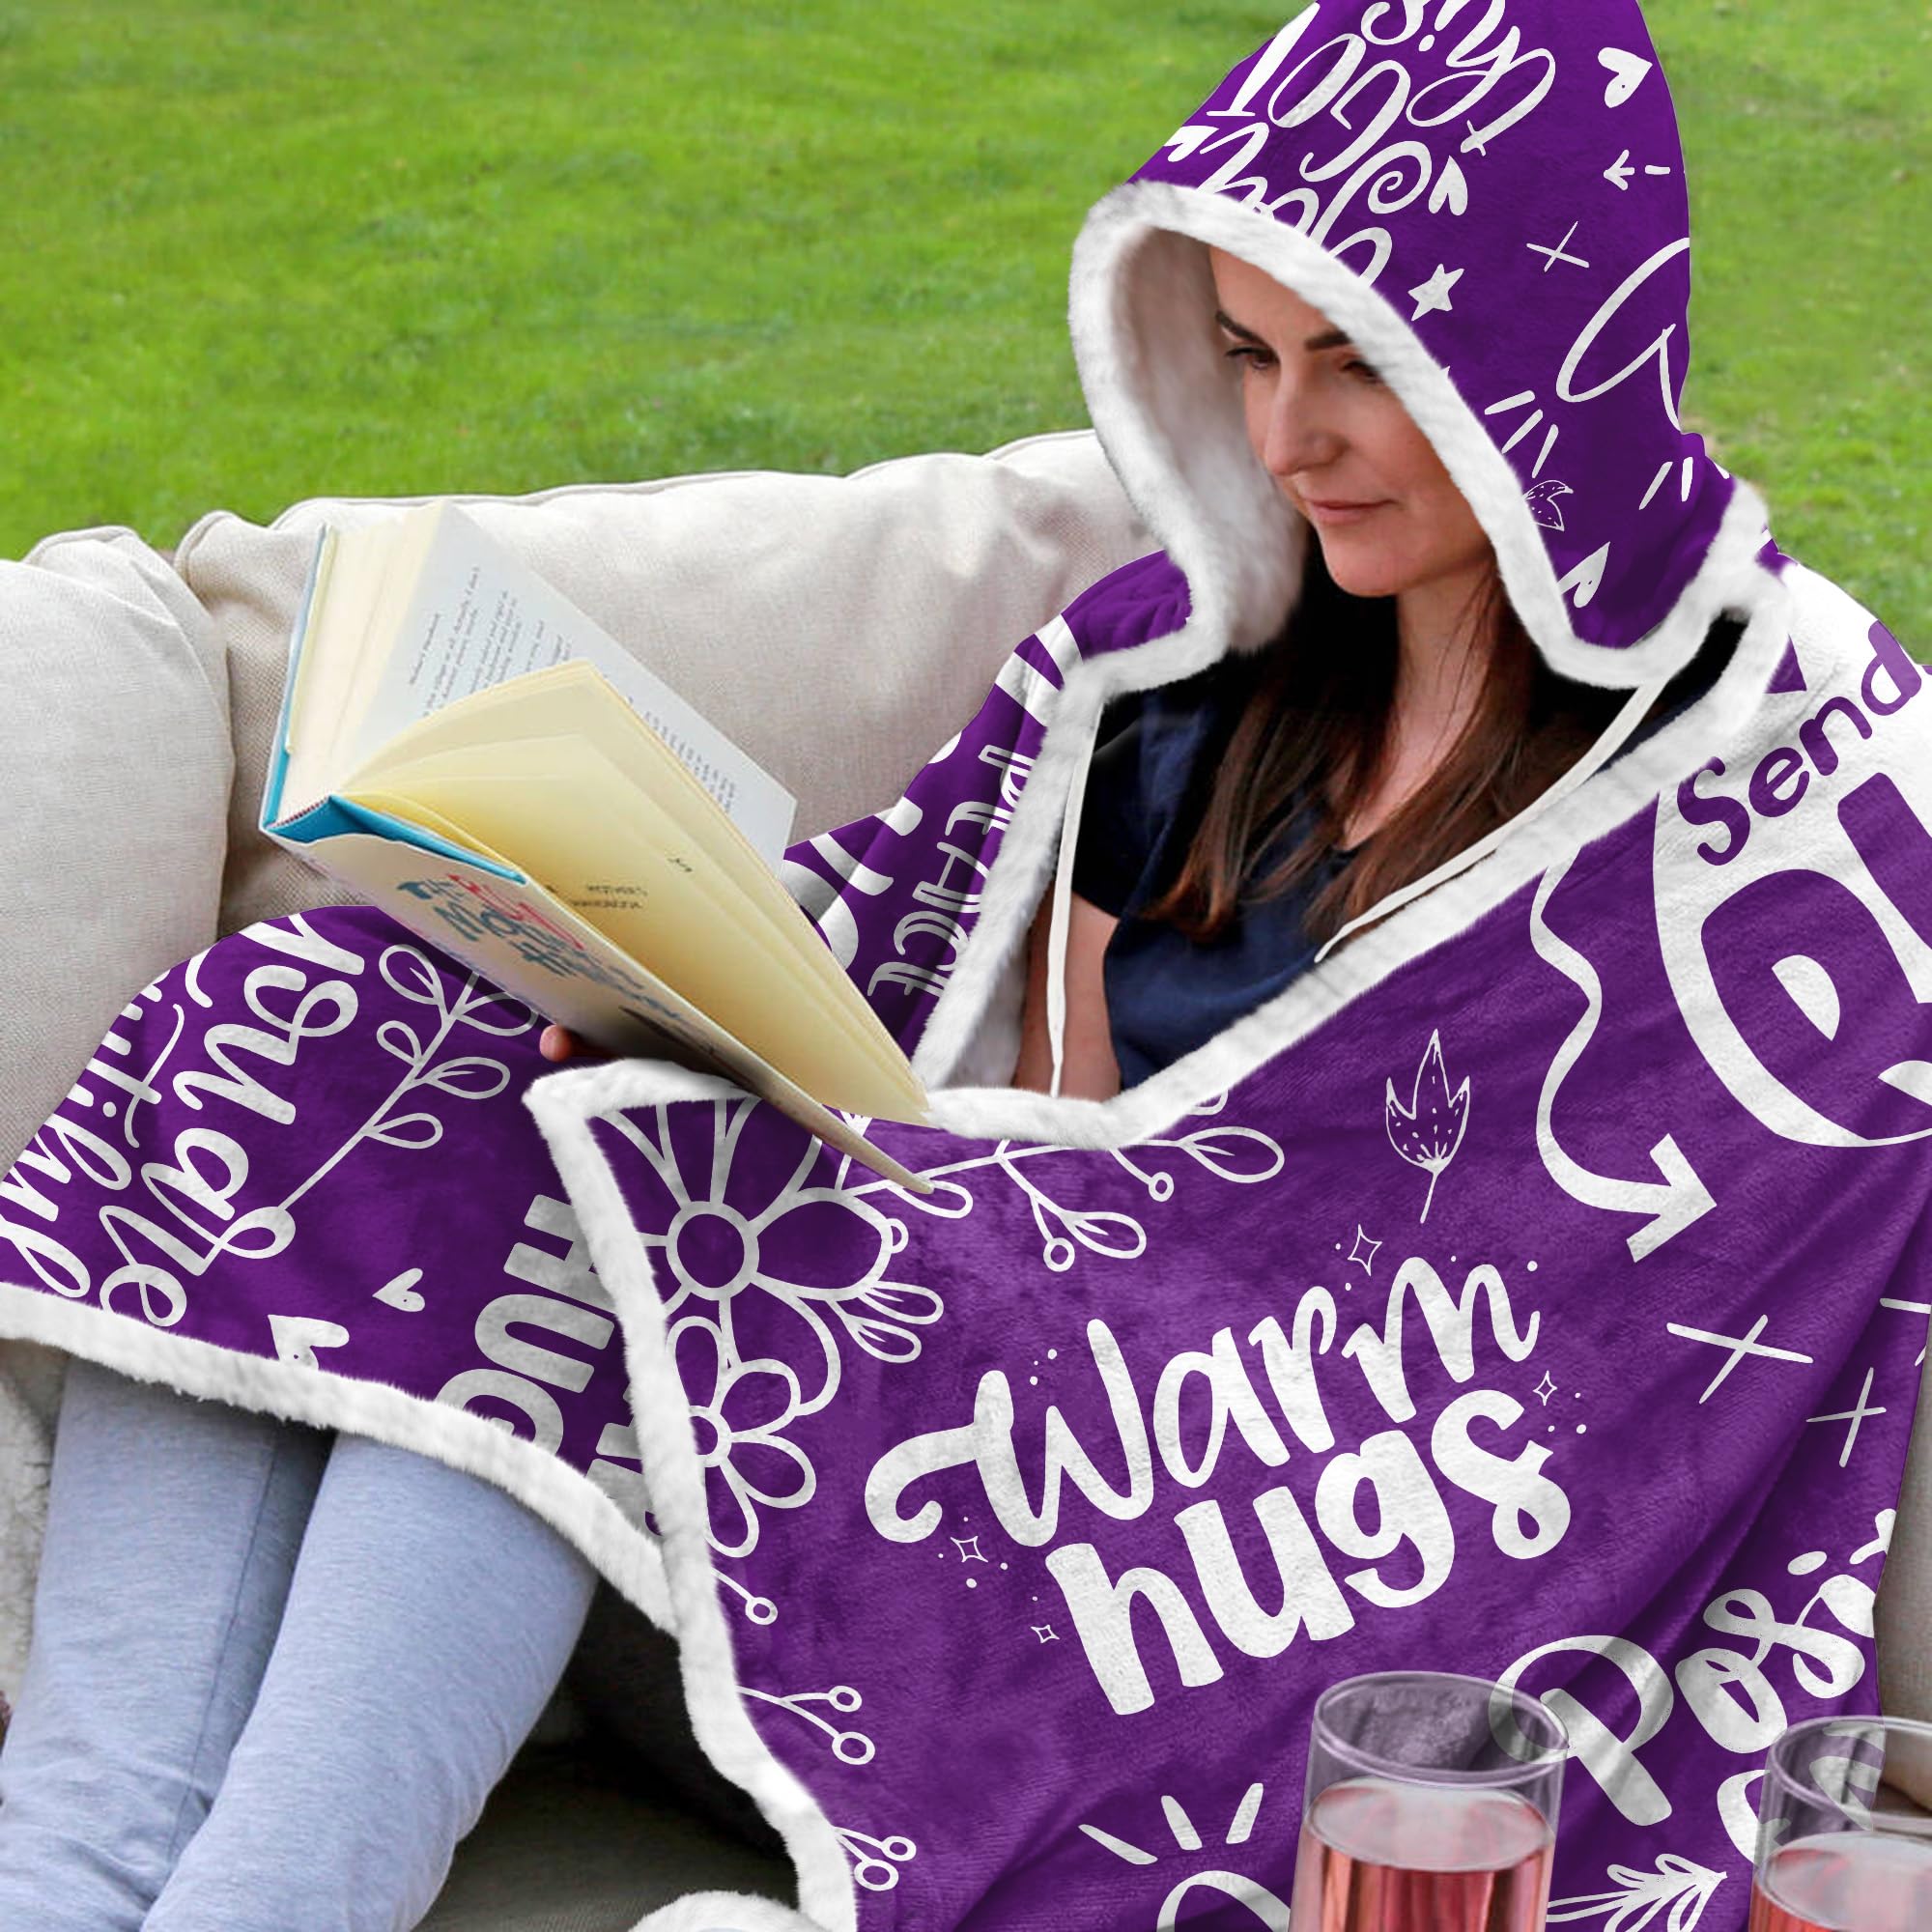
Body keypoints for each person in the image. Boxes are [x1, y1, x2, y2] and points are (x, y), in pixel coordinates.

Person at [0, 6, 1811, 1929]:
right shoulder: (1189, 674)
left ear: (1539, 356)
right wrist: (677, 1002)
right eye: (1247, 358)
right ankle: (66, 1883)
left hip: (1197, 1562)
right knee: (355, 1036)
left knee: (631, 1204)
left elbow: (1583, 1310)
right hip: (884, 1435)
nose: (1292, 439)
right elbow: (1040, 1090)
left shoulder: (1720, 799)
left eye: (1359, 362)